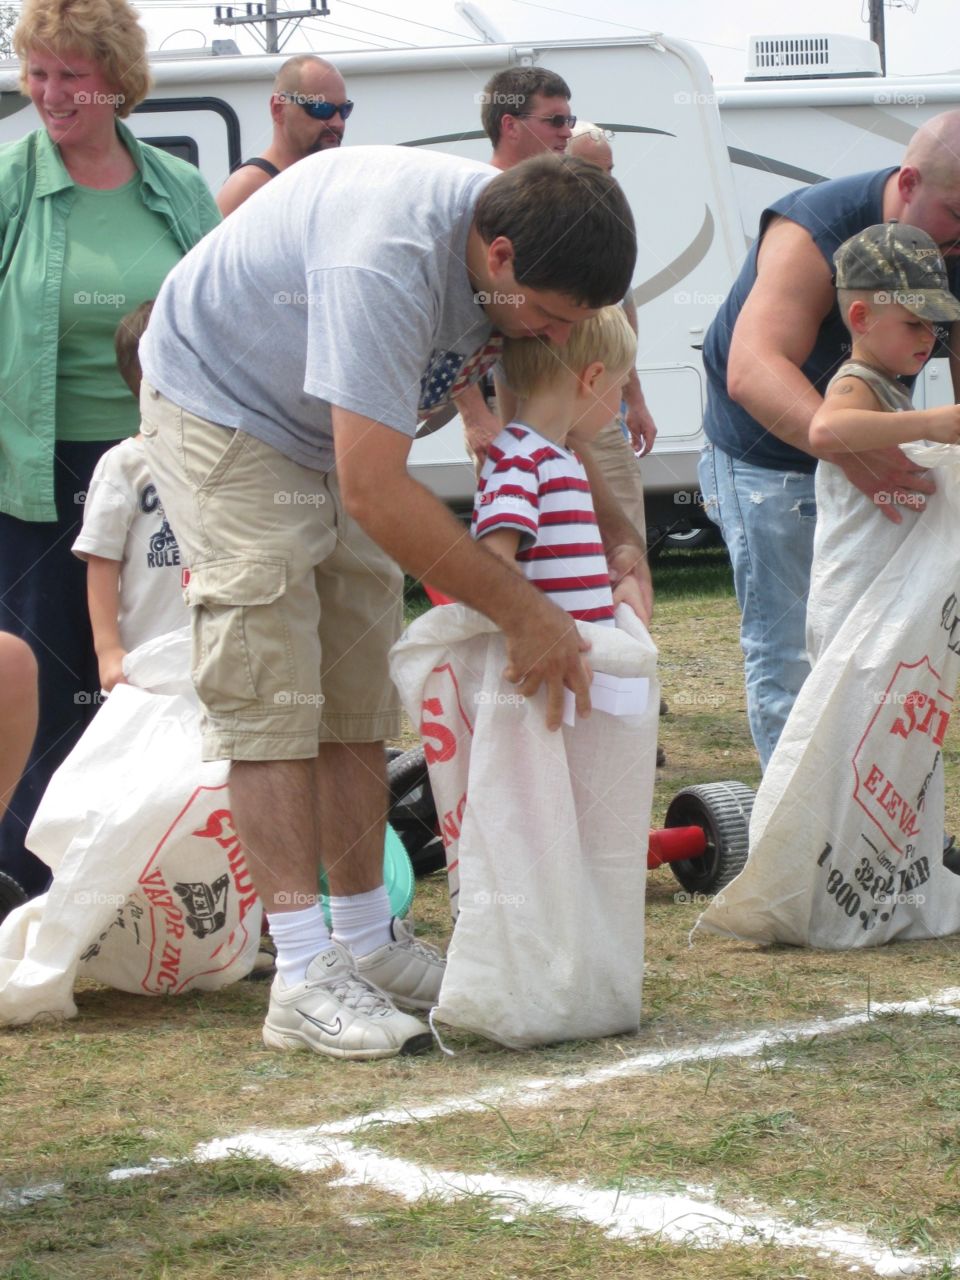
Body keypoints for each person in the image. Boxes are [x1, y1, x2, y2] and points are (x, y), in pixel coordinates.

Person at [138, 147, 641, 1062]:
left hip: (330, 434)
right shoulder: (386, 259)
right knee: (273, 681)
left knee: (356, 681)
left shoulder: (515, 257)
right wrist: (529, 613)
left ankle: (367, 939)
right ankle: (298, 970)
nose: (557, 340)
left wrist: (612, 535)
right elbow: (375, 486)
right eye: (549, 316)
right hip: (229, 410)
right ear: (495, 256)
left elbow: (503, 425)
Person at [0, 0, 220, 899]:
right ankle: (32, 880)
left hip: (166, 464)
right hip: (37, 474)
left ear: (117, 81)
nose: (50, 94)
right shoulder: (12, 182)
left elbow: (223, 309)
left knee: (164, 669)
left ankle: (160, 872)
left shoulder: (175, 188)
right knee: (51, 679)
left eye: (71, 75)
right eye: (37, 73)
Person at [698, 111, 960, 772]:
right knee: (792, 653)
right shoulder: (815, 225)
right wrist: (865, 450)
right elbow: (752, 369)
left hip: (866, 448)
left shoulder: (951, 241)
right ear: (908, 183)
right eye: (957, 214)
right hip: (769, 460)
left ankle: (877, 838)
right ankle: (801, 845)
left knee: (882, 650)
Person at [807, 222, 960, 660]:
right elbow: (825, 430)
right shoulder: (857, 381)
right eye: (913, 323)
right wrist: (927, 424)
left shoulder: (889, 385)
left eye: (934, 324)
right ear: (861, 318)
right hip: (853, 595)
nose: (929, 337)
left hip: (881, 591)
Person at [473, 306, 637, 629]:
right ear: (592, 379)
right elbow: (492, 561)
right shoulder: (521, 459)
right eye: (621, 388)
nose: (620, 410)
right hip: (548, 669)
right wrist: (535, 629)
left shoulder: (558, 458)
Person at [71, 303, 188, 693]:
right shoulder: (124, 464)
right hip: (147, 662)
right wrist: (108, 650)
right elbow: (102, 558)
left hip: (222, 652)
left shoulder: (233, 458)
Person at [216, 55, 350, 216]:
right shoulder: (248, 187)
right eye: (321, 108)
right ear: (278, 109)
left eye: (344, 110)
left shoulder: (326, 181)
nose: (338, 123)